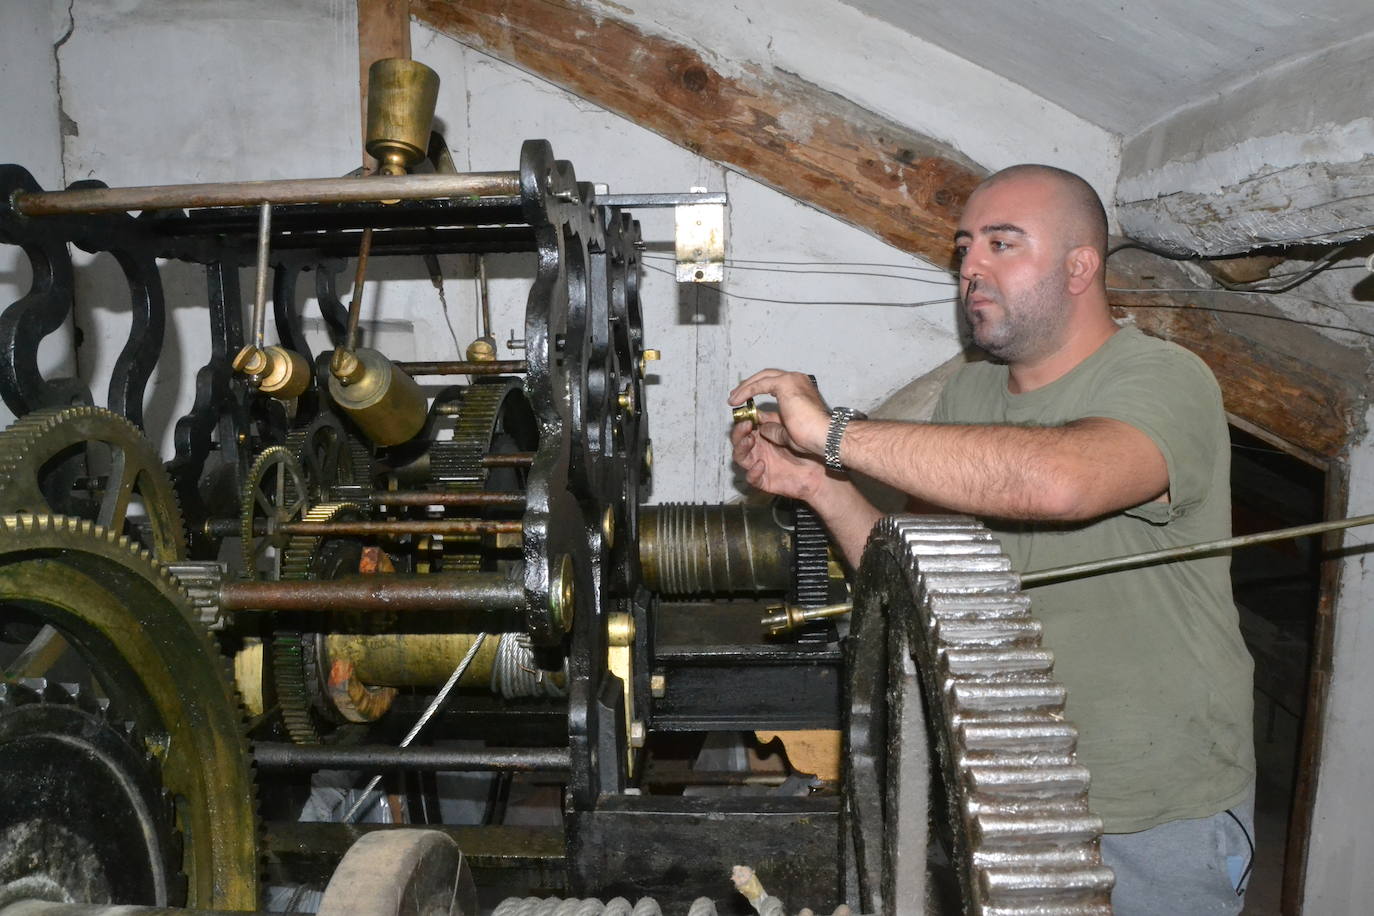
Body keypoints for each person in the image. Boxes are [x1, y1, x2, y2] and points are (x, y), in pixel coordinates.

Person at [729, 164, 1255, 915]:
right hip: (1008, 794)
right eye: (965, 247)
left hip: (1150, 809)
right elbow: (915, 571)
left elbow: (1059, 482)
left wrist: (837, 434)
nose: (971, 267)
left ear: (1080, 266)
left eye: (1004, 244)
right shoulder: (970, 393)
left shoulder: (1166, 377)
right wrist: (818, 482)